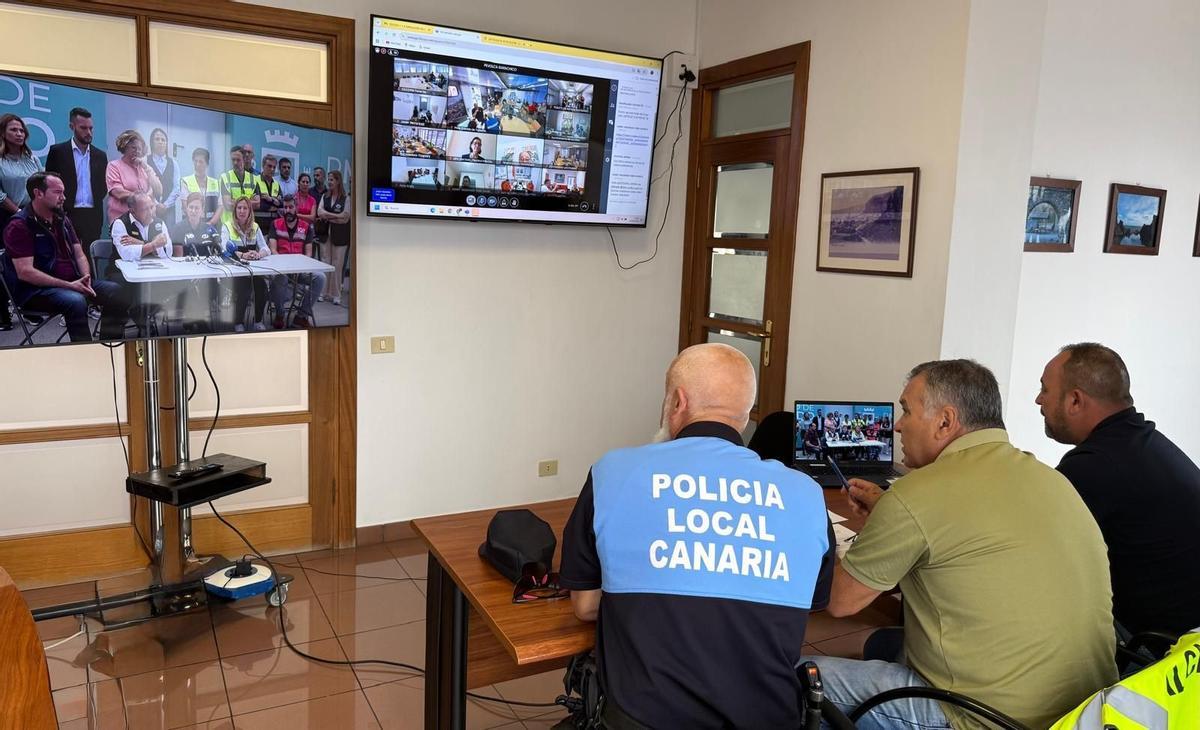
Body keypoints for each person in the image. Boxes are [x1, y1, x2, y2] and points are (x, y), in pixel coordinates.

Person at [806, 359, 1117, 730]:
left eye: (906, 410)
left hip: (983, 718)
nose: (898, 425)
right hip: (1089, 712)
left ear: (945, 421)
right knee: (883, 644)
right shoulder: (1052, 479)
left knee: (802, 678)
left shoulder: (917, 494)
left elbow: (840, 601)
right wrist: (889, 515)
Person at [560, 343, 834, 728]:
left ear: (677, 402)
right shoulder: (807, 493)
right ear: (745, 414)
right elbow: (809, 603)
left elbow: (586, 606)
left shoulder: (613, 472)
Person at [1037, 343, 1200, 637]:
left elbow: (1032, 552)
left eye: (1045, 389)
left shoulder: (1093, 467)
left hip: (1162, 649)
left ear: (1075, 400)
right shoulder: (1147, 443)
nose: (1038, 399)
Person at [2, 172, 129, 341]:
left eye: (63, 192)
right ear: (38, 193)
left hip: (73, 282)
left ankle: (107, 344)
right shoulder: (19, 225)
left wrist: (85, 278)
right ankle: (84, 351)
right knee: (75, 301)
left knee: (117, 293)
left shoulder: (62, 219)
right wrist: (69, 285)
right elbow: (26, 272)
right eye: (57, 192)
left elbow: (79, 253)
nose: (64, 197)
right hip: (36, 292)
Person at [0, 113, 44, 331]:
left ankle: (28, 308)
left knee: (29, 264)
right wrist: (18, 212)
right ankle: (3, 314)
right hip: (6, 217)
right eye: (13, 130)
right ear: (3, 133)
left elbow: (42, 183)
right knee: (5, 265)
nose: (19, 134)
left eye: (21, 130)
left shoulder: (32, 159)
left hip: (30, 217)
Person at [44, 107, 108, 249]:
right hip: (66, 213)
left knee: (90, 254)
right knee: (66, 253)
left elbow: (103, 186)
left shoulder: (100, 155)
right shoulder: (58, 152)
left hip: (93, 215)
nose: (88, 132)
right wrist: (60, 208)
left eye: (91, 128)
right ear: (72, 126)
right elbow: (50, 183)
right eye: (83, 128)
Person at [268, 195, 325, 329]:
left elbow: (308, 253)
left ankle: (301, 316)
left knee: (320, 277)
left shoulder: (306, 227)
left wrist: (300, 268)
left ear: (296, 208)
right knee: (281, 277)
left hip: (300, 270)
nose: (288, 210)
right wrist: (284, 267)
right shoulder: (275, 224)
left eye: (291, 207)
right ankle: (280, 314)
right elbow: (273, 250)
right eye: (285, 207)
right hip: (281, 269)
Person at [171, 192, 222, 331]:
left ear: (202, 210)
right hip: (185, 275)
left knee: (213, 286)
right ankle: (201, 325)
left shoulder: (209, 229)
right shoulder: (178, 228)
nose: (193, 211)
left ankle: (193, 322)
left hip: (207, 274)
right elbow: (178, 259)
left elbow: (217, 252)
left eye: (197, 208)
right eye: (191, 207)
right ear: (186, 209)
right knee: (193, 289)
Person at [222, 197, 269, 331]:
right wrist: (242, 255)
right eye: (239, 208)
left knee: (262, 287)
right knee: (244, 288)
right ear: (235, 210)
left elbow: (266, 249)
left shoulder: (255, 227)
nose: (242, 211)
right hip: (234, 272)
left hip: (253, 271)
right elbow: (224, 249)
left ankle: (258, 321)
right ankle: (238, 322)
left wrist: (259, 254)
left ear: (250, 211)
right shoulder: (227, 226)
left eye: (245, 208)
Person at [105, 130, 161, 225]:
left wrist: (146, 167)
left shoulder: (144, 168)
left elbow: (158, 190)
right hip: (122, 220)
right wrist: (144, 197)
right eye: (134, 148)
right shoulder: (114, 166)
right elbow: (118, 192)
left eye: (140, 149)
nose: (137, 151)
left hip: (145, 221)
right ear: (125, 147)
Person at [316, 170, 350, 306]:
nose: (329, 182)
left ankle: (336, 295)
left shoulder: (346, 198)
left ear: (338, 181)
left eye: (332, 180)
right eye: (328, 179)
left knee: (337, 264)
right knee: (325, 262)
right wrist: (336, 216)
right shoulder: (324, 196)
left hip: (340, 235)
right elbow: (320, 212)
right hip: (325, 234)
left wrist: (328, 216)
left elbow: (345, 217)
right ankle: (322, 293)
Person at [111, 193, 171, 262]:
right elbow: (126, 255)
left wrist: (140, 243)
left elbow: (168, 252)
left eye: (151, 207)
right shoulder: (120, 224)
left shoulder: (159, 223)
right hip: (123, 267)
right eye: (145, 209)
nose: (150, 213)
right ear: (133, 211)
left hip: (153, 267)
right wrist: (153, 245)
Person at [179, 148, 222, 228]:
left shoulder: (216, 183)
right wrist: (199, 225)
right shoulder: (185, 181)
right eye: (195, 161)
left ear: (207, 164)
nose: (197, 164)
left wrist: (211, 223)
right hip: (192, 225)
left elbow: (220, 206)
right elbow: (185, 206)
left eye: (201, 162)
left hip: (212, 225)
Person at [145, 127, 179, 220]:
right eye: (157, 139)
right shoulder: (145, 161)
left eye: (163, 140)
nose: (160, 142)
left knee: (169, 229)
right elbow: (144, 185)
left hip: (169, 208)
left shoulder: (173, 163)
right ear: (152, 142)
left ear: (166, 143)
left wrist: (165, 205)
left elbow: (177, 188)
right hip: (149, 207)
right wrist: (156, 204)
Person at [220, 145, 258, 226]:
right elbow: (227, 205)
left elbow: (257, 204)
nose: (235, 163)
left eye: (238, 160)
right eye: (233, 160)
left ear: (244, 159)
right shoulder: (225, 177)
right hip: (229, 224)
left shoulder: (253, 179)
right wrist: (248, 202)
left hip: (247, 225)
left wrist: (235, 202)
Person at [254, 154, 283, 228]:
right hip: (258, 222)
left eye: (274, 167)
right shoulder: (255, 180)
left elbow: (282, 204)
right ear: (263, 166)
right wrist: (274, 203)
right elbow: (258, 204)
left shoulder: (276, 184)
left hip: (273, 223)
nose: (272, 169)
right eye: (269, 166)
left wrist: (271, 199)